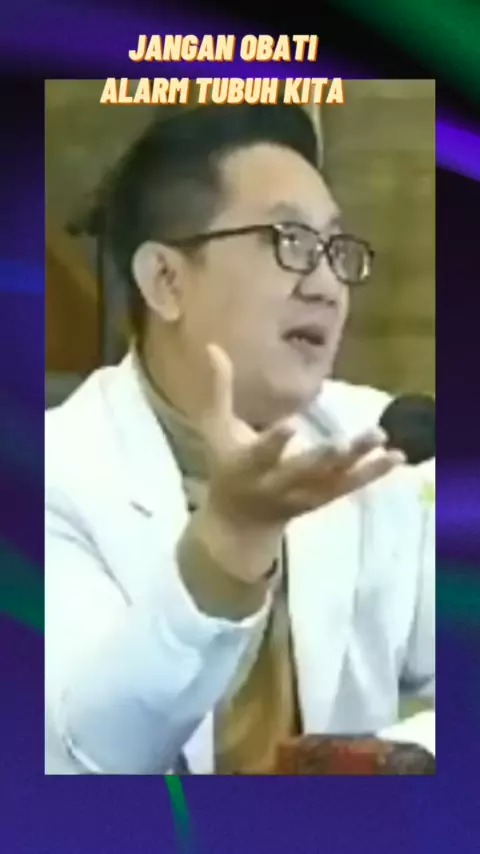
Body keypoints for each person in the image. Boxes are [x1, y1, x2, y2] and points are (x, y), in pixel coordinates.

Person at [45, 103, 435, 775]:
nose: (327, 286)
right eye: (290, 241)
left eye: (335, 249)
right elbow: (81, 759)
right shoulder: (50, 474)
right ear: (166, 280)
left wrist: (397, 763)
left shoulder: (383, 445)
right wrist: (229, 542)